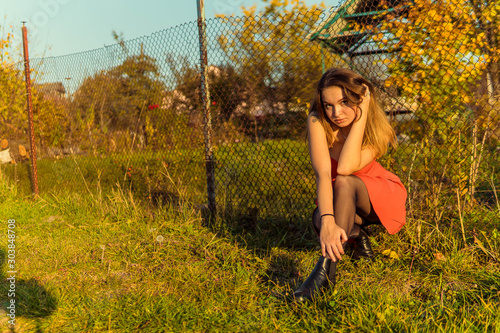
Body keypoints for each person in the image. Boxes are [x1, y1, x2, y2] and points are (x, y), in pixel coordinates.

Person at [293, 68, 407, 302]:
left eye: (345, 102)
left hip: (377, 197)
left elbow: (344, 168)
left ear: (360, 99)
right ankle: (357, 236)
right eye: (328, 105)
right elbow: (324, 175)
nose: (336, 113)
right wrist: (326, 222)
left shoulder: (378, 131)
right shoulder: (317, 121)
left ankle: (325, 271)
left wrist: (362, 116)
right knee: (318, 218)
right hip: (342, 200)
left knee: (344, 182)